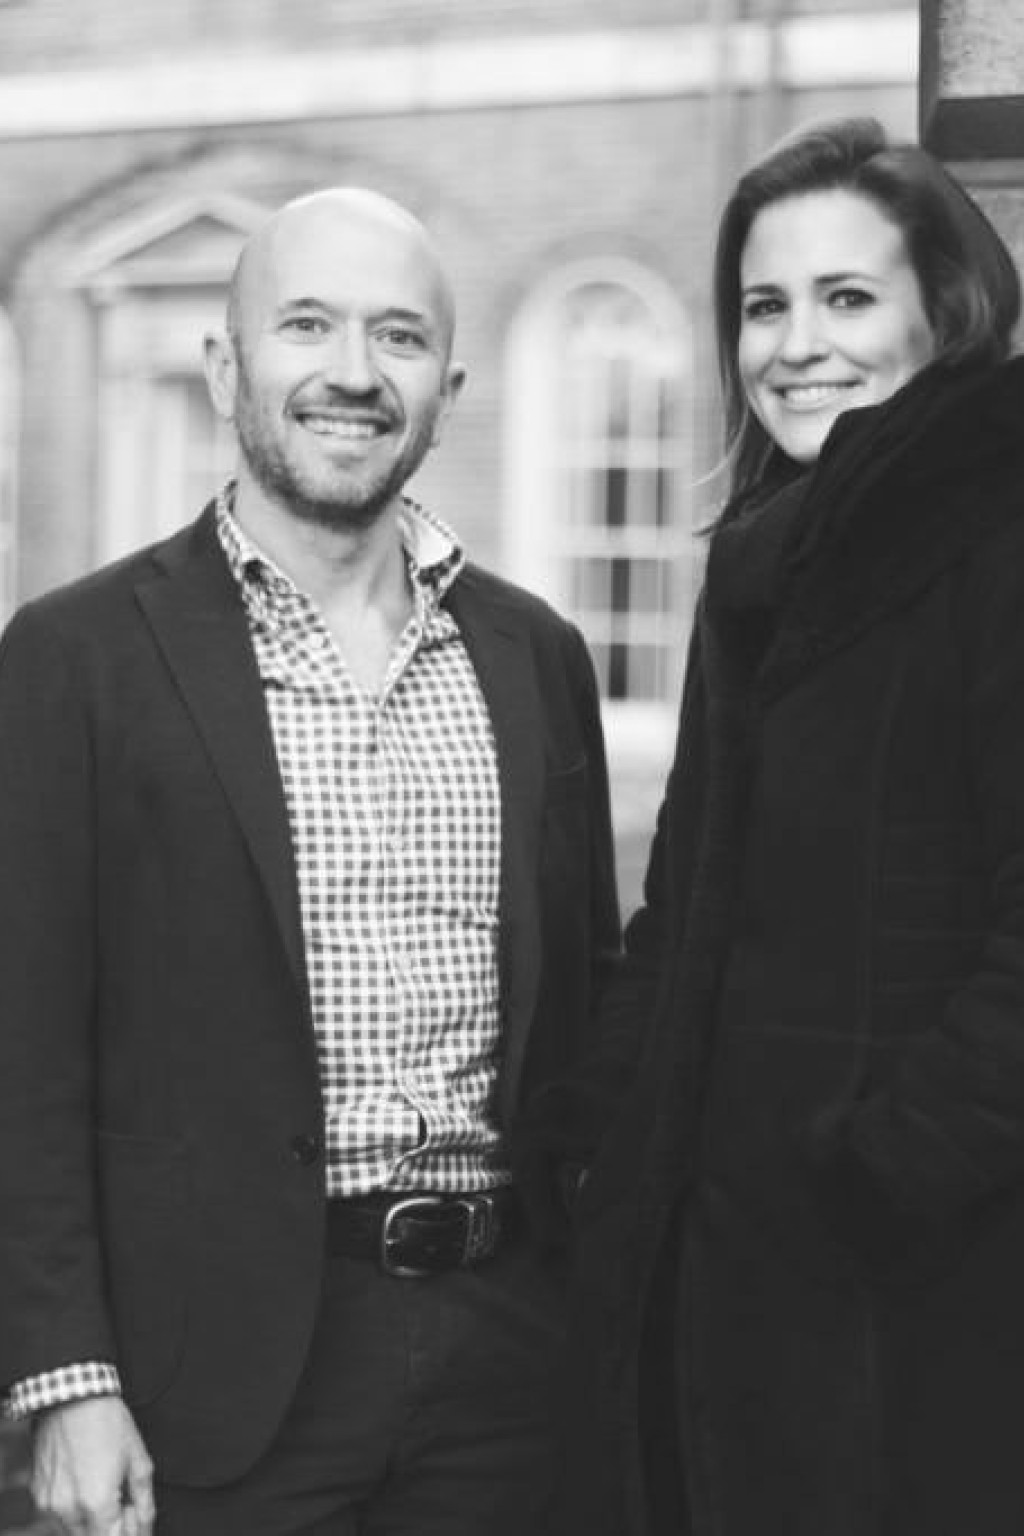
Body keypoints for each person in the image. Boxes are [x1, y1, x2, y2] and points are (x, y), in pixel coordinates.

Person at [0, 186, 620, 1535]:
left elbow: (585, 1017)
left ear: (448, 389)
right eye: (307, 325)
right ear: (228, 366)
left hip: (510, 1363)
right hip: (208, 1375)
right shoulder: (74, 661)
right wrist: (66, 1372)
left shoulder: (536, 660)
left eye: (398, 337)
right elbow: (23, 1043)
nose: (353, 372)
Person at [527, 117, 1024, 1536]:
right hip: (716, 1288)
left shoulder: (999, 532)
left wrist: (884, 1173)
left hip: (918, 1297)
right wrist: (604, 1138)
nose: (796, 343)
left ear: (947, 312)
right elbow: (683, 902)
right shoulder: (764, 564)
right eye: (764, 305)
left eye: (847, 298)